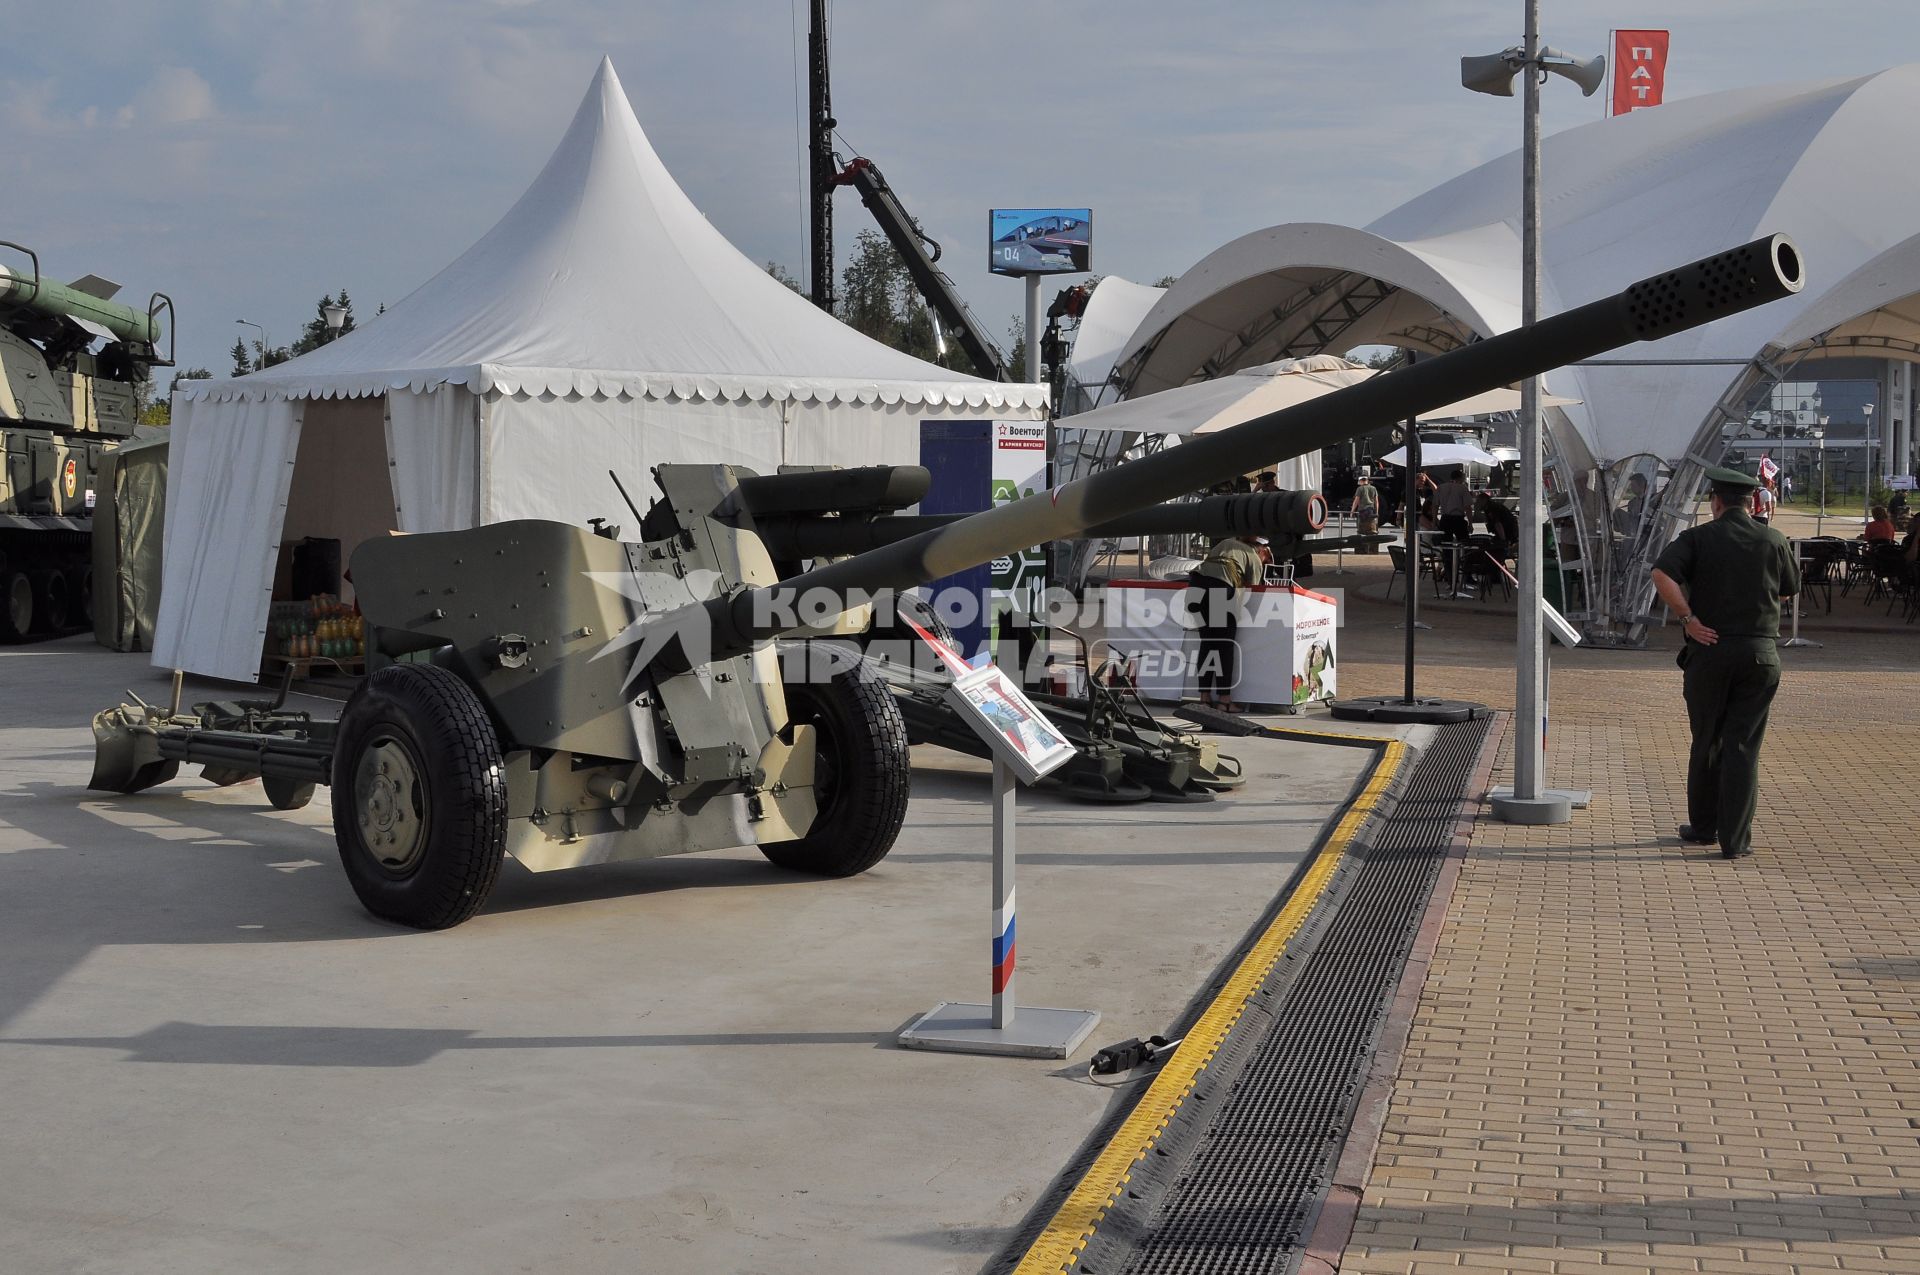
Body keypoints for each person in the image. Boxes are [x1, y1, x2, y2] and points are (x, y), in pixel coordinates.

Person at [1650, 467, 1800, 860]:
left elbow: (1661, 573)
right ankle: (1736, 841)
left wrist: (1688, 619)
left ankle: (1702, 828)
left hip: (1711, 651)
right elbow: (1788, 590)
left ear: (1715, 502)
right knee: (1743, 746)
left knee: (1707, 741)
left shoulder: (1698, 538)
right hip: (1760, 654)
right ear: (1752, 503)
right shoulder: (1773, 539)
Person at [1188, 533, 1264, 712]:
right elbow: (1255, 587)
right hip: (1219, 592)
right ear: (1261, 548)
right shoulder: (1253, 556)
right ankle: (1224, 700)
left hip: (1196, 588)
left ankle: (1204, 699)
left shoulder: (1225, 542)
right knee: (1224, 647)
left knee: (1207, 645)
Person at [1435, 468, 1473, 541]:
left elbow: (1435, 505)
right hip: (1458, 519)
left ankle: (1447, 552)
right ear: (1461, 478)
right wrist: (1470, 524)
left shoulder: (1441, 487)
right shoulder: (1462, 488)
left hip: (1445, 519)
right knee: (1463, 542)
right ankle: (1461, 552)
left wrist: (1434, 522)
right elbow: (1468, 507)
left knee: (1446, 544)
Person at [1350, 468, 1382, 554]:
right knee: (1372, 532)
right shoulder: (1373, 488)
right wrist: (1377, 512)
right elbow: (1376, 501)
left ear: (1360, 480)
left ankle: (1361, 551)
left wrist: (1352, 511)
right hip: (1371, 512)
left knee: (1361, 532)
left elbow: (1356, 501)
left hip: (1362, 512)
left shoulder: (1360, 489)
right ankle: (1373, 550)